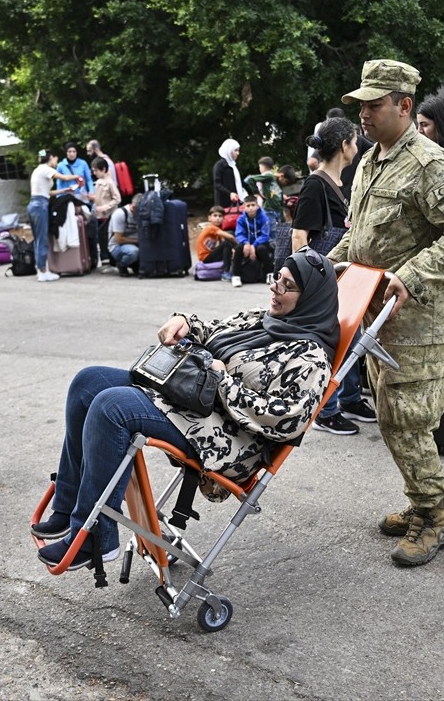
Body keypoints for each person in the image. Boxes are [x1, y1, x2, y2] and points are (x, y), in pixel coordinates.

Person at [31, 248, 339, 568]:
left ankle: (95, 537)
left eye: (288, 286)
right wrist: (185, 323)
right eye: (277, 279)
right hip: (194, 400)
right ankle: (67, 505)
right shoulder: (264, 318)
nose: (275, 288)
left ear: (311, 299)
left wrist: (223, 382)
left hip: (229, 439)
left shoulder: (311, 359)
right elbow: (215, 329)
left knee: (111, 407)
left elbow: (286, 420)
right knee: (88, 382)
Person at [326, 59, 444, 568]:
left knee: (406, 420)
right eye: (360, 105)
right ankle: (429, 500)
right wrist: (324, 266)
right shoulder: (371, 162)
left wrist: (412, 275)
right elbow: (361, 235)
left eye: (374, 105)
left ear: (404, 106)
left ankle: (433, 516)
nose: (364, 114)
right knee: (393, 415)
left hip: (420, 318)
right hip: (376, 316)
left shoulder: (428, 163)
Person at [296, 116, 375, 436]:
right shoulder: (315, 183)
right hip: (324, 275)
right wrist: (308, 282)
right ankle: (326, 410)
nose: (358, 146)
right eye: (355, 141)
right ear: (344, 146)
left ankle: (350, 398)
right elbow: (299, 236)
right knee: (331, 342)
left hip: (342, 274)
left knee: (350, 335)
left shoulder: (340, 183)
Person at [28, 151, 72, 283]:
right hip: (40, 205)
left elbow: (47, 192)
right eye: (56, 159)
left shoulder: (38, 170)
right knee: (42, 239)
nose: (56, 162)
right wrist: (77, 176)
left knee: (38, 239)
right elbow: (64, 178)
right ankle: (43, 272)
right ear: (51, 157)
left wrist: (64, 190)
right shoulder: (46, 168)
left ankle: (41, 269)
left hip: (34, 204)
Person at [231, 195, 272, 288]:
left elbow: (265, 235)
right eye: (248, 205)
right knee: (238, 248)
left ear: (257, 206)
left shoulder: (264, 217)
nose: (251, 208)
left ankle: (269, 274)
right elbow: (239, 234)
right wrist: (246, 243)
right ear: (244, 207)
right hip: (247, 244)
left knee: (262, 249)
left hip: (260, 243)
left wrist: (254, 245)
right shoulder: (241, 219)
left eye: (253, 205)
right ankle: (236, 276)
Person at [196, 206, 236, 279]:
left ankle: (231, 268)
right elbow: (231, 237)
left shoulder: (217, 229)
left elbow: (223, 242)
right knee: (227, 242)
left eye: (220, 216)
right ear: (209, 218)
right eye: (215, 216)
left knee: (227, 244)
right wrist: (239, 246)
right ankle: (226, 272)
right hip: (205, 257)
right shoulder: (211, 227)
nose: (217, 218)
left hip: (210, 255)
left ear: (223, 218)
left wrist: (232, 250)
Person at [107, 194, 142, 277]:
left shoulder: (140, 214)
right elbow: (119, 239)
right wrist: (138, 241)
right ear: (133, 207)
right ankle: (121, 265)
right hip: (117, 246)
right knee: (133, 252)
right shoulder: (120, 214)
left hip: (135, 243)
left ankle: (135, 265)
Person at [244, 156, 285, 222]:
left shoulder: (268, 176)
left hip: (269, 207)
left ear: (262, 166)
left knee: (270, 226)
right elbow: (248, 180)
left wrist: (256, 193)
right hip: (272, 206)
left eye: (259, 167)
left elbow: (248, 179)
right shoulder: (270, 176)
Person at [213, 139, 243, 208]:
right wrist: (229, 193)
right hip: (223, 203)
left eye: (238, 150)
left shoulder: (233, 165)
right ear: (229, 150)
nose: (238, 153)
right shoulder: (220, 165)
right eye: (235, 150)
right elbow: (217, 184)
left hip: (235, 201)